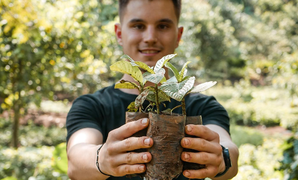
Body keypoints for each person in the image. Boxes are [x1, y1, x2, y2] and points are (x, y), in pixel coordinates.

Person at [66, 0, 239, 180]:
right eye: (138, 26)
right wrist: (101, 158)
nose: (150, 37)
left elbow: (229, 150)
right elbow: (76, 159)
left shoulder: (202, 105)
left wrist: (222, 159)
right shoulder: (92, 106)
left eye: (163, 26)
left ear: (178, 35)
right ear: (119, 33)